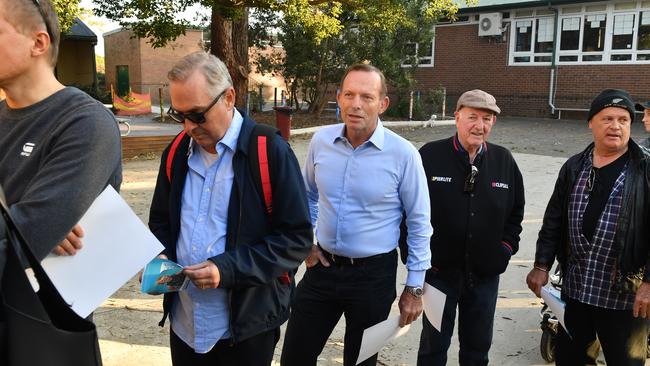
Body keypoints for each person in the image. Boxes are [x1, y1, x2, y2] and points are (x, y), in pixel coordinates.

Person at [148, 51, 312, 366]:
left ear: (229, 97)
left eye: (197, 114)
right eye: (178, 114)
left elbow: (296, 241)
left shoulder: (269, 151)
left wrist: (227, 270)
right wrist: (161, 256)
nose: (188, 126)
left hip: (244, 330)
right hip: (185, 325)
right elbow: (161, 221)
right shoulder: (176, 153)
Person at [280, 64, 433, 366]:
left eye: (367, 96)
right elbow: (307, 196)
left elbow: (418, 223)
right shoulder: (321, 142)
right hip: (321, 268)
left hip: (373, 277)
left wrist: (414, 287)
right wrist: (305, 245)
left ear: (383, 104)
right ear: (338, 98)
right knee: (295, 357)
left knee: (360, 362)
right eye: (349, 94)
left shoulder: (403, 155)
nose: (356, 104)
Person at [0, 0, 122, 359]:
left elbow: (26, 238)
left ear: (38, 43)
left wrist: (28, 228)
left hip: (41, 336)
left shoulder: (86, 123)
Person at [526, 89, 650, 365]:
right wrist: (541, 264)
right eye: (607, 118)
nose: (615, 126)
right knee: (570, 359)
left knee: (626, 361)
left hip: (625, 295)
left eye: (623, 120)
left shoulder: (645, 169)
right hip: (577, 289)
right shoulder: (574, 167)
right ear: (591, 123)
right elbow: (554, 219)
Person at [414, 90, 524, 365]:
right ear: (457, 117)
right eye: (472, 116)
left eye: (486, 118)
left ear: (493, 123)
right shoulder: (429, 156)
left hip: (484, 279)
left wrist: (505, 250)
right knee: (432, 349)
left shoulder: (504, 161)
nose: (479, 125)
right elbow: (408, 211)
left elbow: (515, 214)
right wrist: (417, 258)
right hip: (438, 276)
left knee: (477, 352)